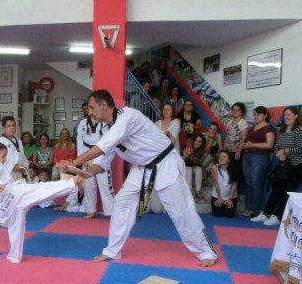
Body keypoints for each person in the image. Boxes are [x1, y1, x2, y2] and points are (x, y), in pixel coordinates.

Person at [59, 90, 217, 267]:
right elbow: (101, 163)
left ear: (104, 105)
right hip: (142, 167)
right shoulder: (109, 130)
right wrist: (78, 172)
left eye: (92, 107)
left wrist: (74, 161)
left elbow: (102, 147)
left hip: (165, 162)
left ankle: (206, 251)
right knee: (122, 202)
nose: (89, 112)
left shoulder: (127, 116)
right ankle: (112, 250)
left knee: (181, 211)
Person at [0, 141, 83, 263]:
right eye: (3, 156)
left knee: (15, 229)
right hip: (15, 194)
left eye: (5, 156)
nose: (5, 159)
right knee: (41, 189)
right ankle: (71, 183)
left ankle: (14, 256)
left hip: (9, 204)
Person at [251, 107, 302, 226]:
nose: (286, 117)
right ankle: (266, 213)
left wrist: (285, 151)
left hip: (297, 166)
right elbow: (277, 146)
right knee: (276, 189)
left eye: (289, 114)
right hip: (283, 165)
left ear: (296, 116)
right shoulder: (281, 130)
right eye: (285, 115)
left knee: (286, 191)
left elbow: (300, 147)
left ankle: (277, 216)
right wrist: (279, 153)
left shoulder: (300, 130)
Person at [76, 109, 114, 218]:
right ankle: (90, 210)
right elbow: (79, 141)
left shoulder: (105, 123)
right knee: (89, 185)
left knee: (106, 185)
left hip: (102, 156)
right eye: (90, 109)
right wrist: (82, 159)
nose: (92, 112)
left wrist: (97, 159)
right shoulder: (83, 123)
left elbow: (108, 143)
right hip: (86, 156)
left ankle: (111, 211)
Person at [240, 106, 275, 218]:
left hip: (260, 157)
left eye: (258, 114)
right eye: (254, 114)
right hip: (248, 156)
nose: (256, 116)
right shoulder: (252, 128)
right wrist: (245, 145)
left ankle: (254, 209)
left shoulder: (268, 128)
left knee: (256, 183)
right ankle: (247, 208)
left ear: (265, 115)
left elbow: (269, 144)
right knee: (248, 183)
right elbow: (248, 142)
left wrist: (252, 145)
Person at [0, 116, 29, 180]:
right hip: (7, 174)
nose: (12, 128)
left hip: (19, 172)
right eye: (9, 126)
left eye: (14, 125)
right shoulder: (0, 141)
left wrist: (25, 167)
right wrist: (12, 167)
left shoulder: (19, 141)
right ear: (4, 128)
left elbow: (22, 156)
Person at [211, 150, 239, 217]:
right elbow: (216, 183)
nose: (221, 158)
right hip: (217, 195)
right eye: (220, 157)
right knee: (217, 214)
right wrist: (219, 198)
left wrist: (229, 199)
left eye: (224, 157)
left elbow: (234, 185)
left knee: (230, 215)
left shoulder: (234, 169)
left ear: (229, 160)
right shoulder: (214, 168)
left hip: (230, 196)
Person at [224, 102, 249, 170]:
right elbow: (227, 136)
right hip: (228, 151)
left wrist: (238, 152)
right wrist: (224, 148)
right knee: (227, 169)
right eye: (233, 110)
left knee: (235, 170)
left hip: (236, 151)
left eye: (237, 110)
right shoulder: (229, 122)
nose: (235, 111)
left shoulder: (243, 123)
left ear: (242, 112)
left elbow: (243, 139)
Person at [182, 134, 207, 201]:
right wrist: (185, 156)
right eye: (196, 140)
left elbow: (197, 162)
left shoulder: (201, 151)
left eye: (199, 141)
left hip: (193, 166)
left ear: (202, 144)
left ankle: (198, 192)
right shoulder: (187, 146)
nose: (197, 142)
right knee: (189, 168)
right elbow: (180, 161)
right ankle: (189, 192)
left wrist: (190, 156)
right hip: (184, 166)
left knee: (198, 169)